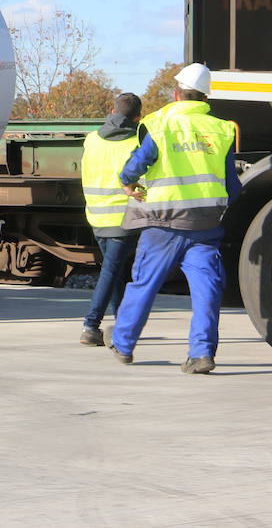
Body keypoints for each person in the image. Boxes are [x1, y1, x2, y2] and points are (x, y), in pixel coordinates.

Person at [109, 63, 240, 374]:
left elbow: (138, 163)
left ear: (177, 93)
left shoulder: (161, 123)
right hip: (205, 225)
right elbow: (232, 185)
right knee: (207, 288)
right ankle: (201, 354)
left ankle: (124, 344)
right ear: (206, 97)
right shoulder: (222, 129)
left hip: (163, 222)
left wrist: (128, 182)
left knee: (144, 283)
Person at [77, 92, 143, 347]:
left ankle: (120, 324)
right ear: (138, 117)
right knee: (111, 270)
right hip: (124, 217)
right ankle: (90, 325)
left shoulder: (92, 139)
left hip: (96, 215)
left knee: (114, 270)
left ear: (113, 111)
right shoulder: (137, 140)